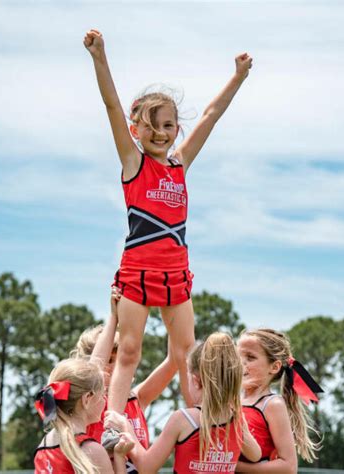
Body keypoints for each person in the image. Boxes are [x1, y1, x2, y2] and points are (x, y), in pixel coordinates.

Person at [84, 28, 253, 415]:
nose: (161, 133)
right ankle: (113, 420)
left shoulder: (180, 164)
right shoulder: (133, 163)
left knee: (186, 354)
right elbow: (112, 106)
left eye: (168, 126)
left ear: (177, 128)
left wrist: (238, 78)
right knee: (129, 350)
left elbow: (211, 116)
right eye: (152, 126)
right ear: (136, 130)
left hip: (176, 275)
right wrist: (100, 57)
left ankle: (199, 419)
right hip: (139, 272)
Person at [105, 332, 262, 473]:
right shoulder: (236, 419)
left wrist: (126, 426)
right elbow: (255, 455)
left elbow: (146, 467)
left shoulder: (183, 419)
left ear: (195, 380)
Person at [71, 287, 178, 473]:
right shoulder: (89, 404)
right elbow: (94, 368)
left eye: (118, 359)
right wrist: (114, 317)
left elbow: (173, 362)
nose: (114, 366)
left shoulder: (137, 398)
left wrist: (172, 304)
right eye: (109, 360)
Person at [235, 329, 323, 473]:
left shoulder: (272, 404)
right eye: (237, 356)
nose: (240, 363)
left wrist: (235, 466)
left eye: (250, 357)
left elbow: (289, 467)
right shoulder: (232, 402)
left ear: (274, 367)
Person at [33, 358, 134, 474]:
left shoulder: (44, 444)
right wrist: (119, 457)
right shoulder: (91, 450)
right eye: (102, 394)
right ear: (87, 399)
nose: (105, 400)